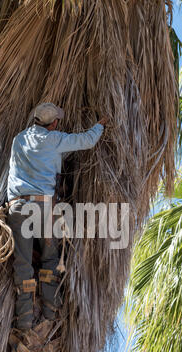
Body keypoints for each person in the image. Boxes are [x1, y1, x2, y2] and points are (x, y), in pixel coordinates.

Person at [7, 102, 107, 330]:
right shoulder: (55, 139)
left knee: (22, 264)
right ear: (53, 123)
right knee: (50, 259)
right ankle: (50, 314)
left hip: (17, 207)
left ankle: (24, 321)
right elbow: (87, 141)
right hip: (43, 208)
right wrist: (100, 126)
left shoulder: (18, 140)